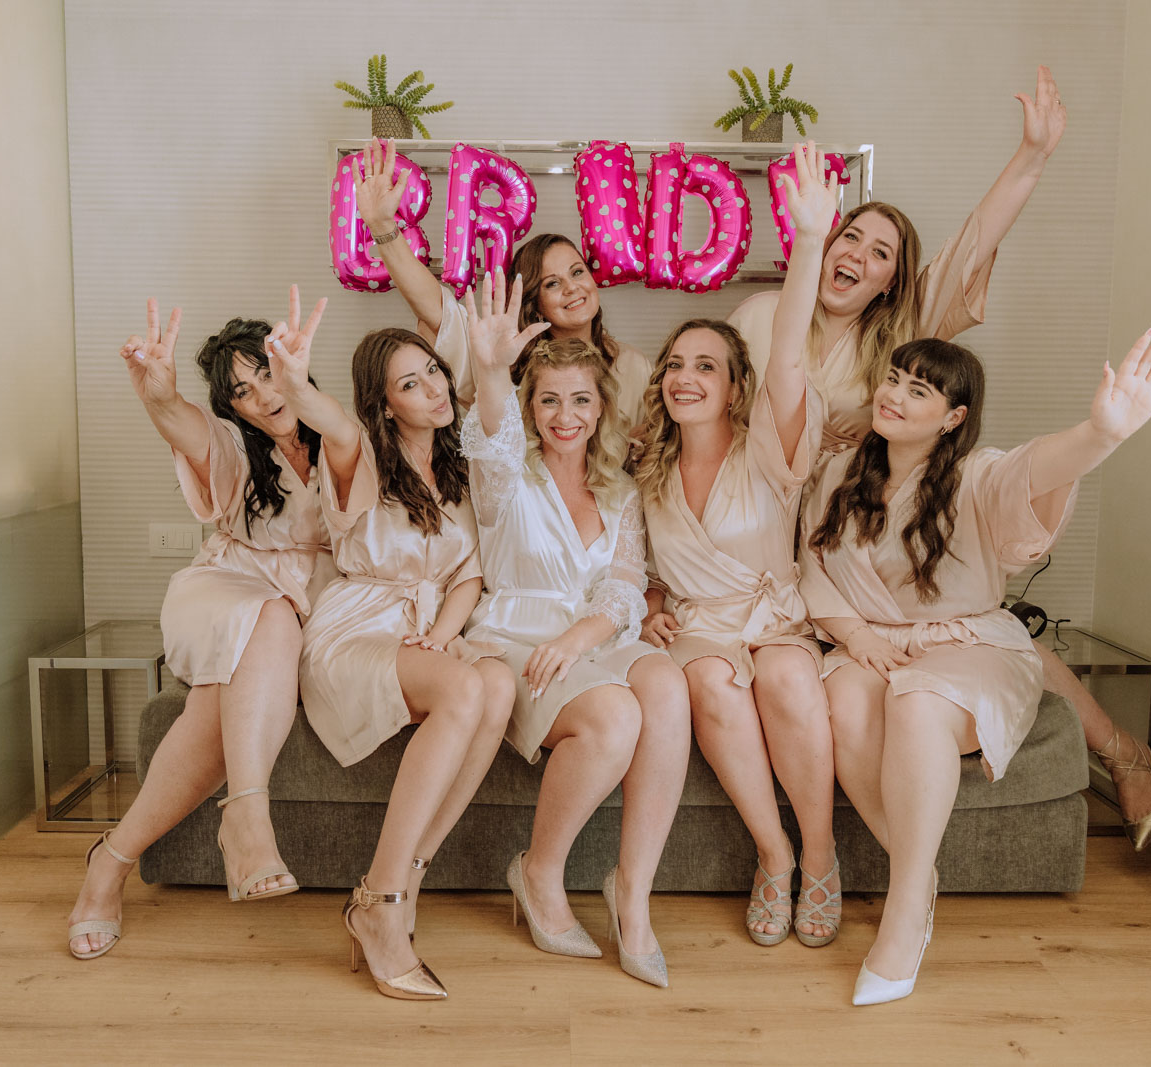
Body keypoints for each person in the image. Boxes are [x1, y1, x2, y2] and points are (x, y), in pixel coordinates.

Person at [727, 66, 1151, 847]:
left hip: (862, 526)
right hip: (770, 526)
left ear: (894, 280)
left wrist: (1031, 156)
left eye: (882, 252)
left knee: (969, 624)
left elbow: (974, 241)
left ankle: (1118, 747)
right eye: (849, 236)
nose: (858, 254)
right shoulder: (762, 315)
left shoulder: (902, 334)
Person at [800, 328, 1151, 1004]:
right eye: (893, 379)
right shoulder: (838, 472)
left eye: (919, 390)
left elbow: (1033, 470)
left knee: (917, 702)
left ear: (953, 418)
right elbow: (812, 568)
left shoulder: (977, 474)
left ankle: (904, 911)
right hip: (869, 638)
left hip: (967, 642)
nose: (894, 395)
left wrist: (1099, 434)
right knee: (839, 703)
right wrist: (855, 635)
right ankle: (919, 873)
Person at [67, 298, 334, 959]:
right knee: (268, 614)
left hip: (307, 603)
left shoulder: (341, 434)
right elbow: (185, 427)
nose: (262, 396)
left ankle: (110, 860)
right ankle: (248, 814)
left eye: (267, 374)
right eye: (241, 392)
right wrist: (160, 395)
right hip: (226, 587)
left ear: (294, 367)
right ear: (232, 408)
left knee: (226, 692)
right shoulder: (235, 447)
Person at [272, 304, 517, 1001]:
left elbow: (469, 575)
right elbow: (333, 423)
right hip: (358, 625)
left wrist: (442, 634)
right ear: (384, 404)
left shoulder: (456, 463)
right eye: (410, 383)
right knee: (465, 688)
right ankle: (381, 903)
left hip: (426, 627)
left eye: (434, 371)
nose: (435, 388)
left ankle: (406, 880)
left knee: (498, 685)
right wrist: (296, 384)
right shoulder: (360, 454)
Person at [458, 273, 691, 987]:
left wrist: (581, 637)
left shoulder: (619, 486)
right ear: (530, 407)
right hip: (516, 633)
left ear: (601, 408)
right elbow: (492, 438)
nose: (566, 415)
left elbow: (623, 583)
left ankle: (633, 894)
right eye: (549, 400)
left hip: (588, 636)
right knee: (615, 715)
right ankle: (539, 872)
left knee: (667, 686)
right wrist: (491, 370)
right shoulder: (505, 479)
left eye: (581, 400)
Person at [633, 144, 837, 946]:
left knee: (786, 675)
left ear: (734, 386)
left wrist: (810, 241)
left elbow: (787, 355)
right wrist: (650, 602)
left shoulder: (769, 452)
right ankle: (774, 853)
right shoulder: (648, 470)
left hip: (775, 614)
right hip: (700, 627)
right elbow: (642, 565)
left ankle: (821, 856)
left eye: (706, 366)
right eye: (675, 364)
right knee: (712, 684)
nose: (685, 377)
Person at [353, 137, 654, 427]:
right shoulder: (505, 362)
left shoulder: (632, 365)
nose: (572, 287)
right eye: (552, 283)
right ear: (535, 304)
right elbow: (436, 309)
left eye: (577, 272)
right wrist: (383, 227)